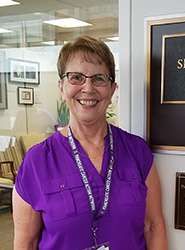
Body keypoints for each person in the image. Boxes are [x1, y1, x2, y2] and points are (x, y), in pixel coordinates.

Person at [13, 35, 168, 250]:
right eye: (76, 77)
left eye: (99, 78)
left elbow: (153, 227)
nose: (88, 88)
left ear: (112, 89)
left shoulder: (136, 151)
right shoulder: (37, 161)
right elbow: (25, 242)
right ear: (61, 87)